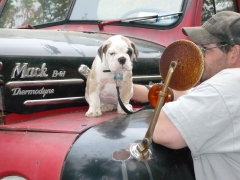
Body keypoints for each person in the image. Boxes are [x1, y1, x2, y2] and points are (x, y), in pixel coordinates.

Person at [132, 11, 240, 180]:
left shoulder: (231, 81)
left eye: (205, 48)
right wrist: (133, 91)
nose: (200, 56)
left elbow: (163, 131)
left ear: (234, 52)